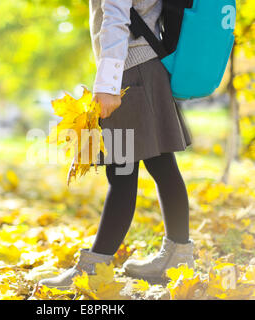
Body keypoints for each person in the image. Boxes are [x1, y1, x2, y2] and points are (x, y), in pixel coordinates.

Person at [38, 0, 194, 289]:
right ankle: (179, 256)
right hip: (147, 69)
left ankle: (93, 271)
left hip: (129, 73)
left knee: (121, 174)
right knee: (162, 167)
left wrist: (109, 84)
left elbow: (116, 18)